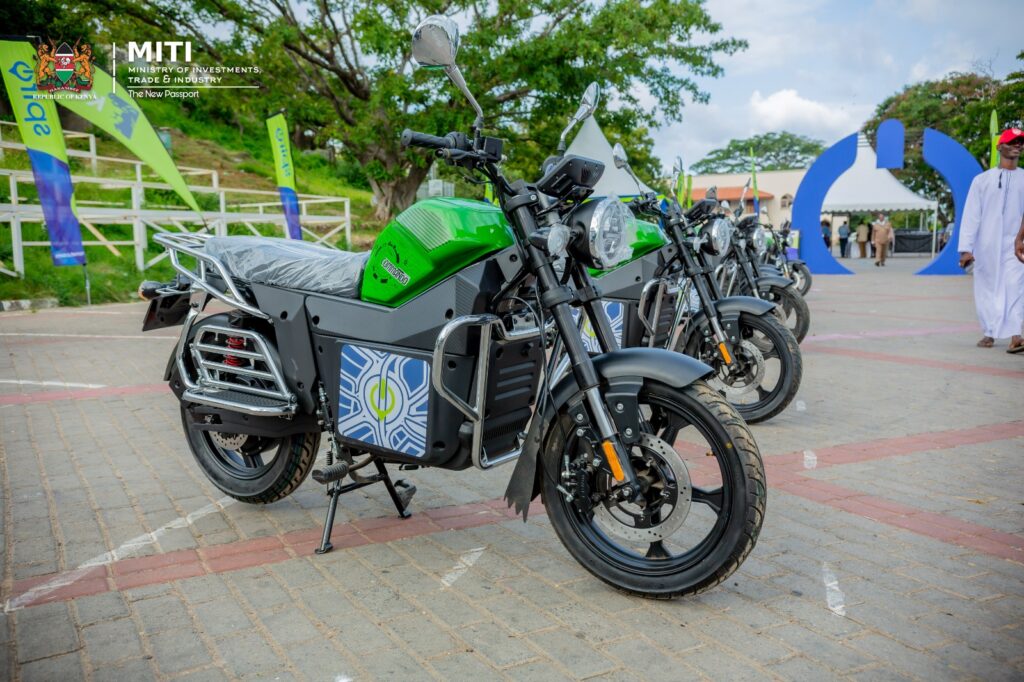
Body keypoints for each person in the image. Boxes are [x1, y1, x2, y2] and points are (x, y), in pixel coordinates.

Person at [958, 128, 1024, 353]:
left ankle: (1016, 336)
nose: (1017, 145)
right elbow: (971, 215)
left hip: (1016, 244)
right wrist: (966, 249)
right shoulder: (982, 181)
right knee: (986, 288)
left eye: (1020, 143)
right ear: (1000, 147)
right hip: (986, 244)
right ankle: (989, 331)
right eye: (1012, 142)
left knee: (1015, 286)